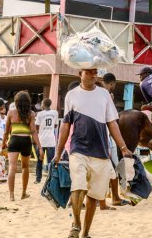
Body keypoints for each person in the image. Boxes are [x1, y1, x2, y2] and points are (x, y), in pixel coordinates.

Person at [53, 69, 133, 238]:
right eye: (89, 72)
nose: (93, 75)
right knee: (78, 186)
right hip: (78, 148)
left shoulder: (104, 94)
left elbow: (112, 123)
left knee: (94, 195)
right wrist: (58, 152)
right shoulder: (71, 95)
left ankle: (85, 233)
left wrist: (123, 147)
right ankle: (76, 223)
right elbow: (66, 126)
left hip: (100, 151)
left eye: (95, 72)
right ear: (80, 73)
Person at [2, 91, 42, 201]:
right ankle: (23, 193)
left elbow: (6, 131)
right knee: (25, 167)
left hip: (14, 140)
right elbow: (33, 132)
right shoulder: (31, 114)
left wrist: (3, 143)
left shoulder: (11, 113)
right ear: (28, 102)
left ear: (16, 101)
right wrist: (40, 147)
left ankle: (11, 195)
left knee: (12, 167)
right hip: (26, 141)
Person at [96, 72, 126, 209]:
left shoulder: (99, 93)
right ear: (112, 83)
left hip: (100, 136)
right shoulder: (105, 94)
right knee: (111, 167)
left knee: (104, 168)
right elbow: (112, 119)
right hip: (105, 135)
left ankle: (108, 197)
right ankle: (112, 197)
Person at [34, 98, 58, 184]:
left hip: (41, 141)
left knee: (39, 161)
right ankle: (51, 179)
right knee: (50, 161)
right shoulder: (55, 113)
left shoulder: (40, 114)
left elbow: (36, 128)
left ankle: (38, 179)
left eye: (41, 103)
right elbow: (55, 125)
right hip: (51, 140)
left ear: (43, 104)